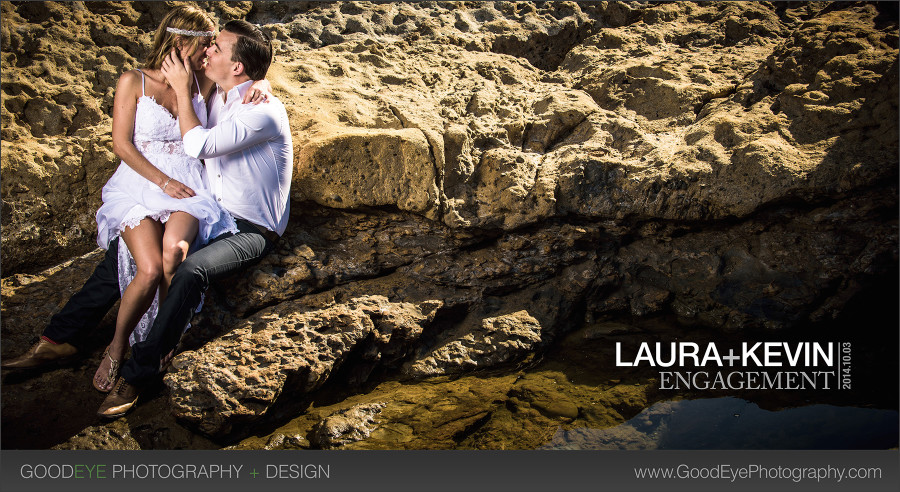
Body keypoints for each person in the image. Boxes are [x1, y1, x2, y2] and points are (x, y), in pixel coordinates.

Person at [1, 14, 284, 400]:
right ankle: (61, 339)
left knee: (178, 261)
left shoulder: (225, 94)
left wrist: (259, 83)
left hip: (226, 210)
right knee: (126, 256)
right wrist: (254, 80)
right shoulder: (197, 87)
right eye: (208, 43)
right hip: (163, 188)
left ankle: (146, 356)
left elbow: (212, 126)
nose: (209, 50)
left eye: (215, 46)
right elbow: (124, 142)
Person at [95, 19, 292, 418]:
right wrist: (262, 80)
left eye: (216, 48)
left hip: (250, 227)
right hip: (211, 209)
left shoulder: (261, 111)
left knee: (188, 270)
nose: (208, 51)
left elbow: (198, 144)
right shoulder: (223, 96)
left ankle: (140, 371)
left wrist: (188, 91)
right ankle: (73, 336)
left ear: (237, 67)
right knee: (136, 255)